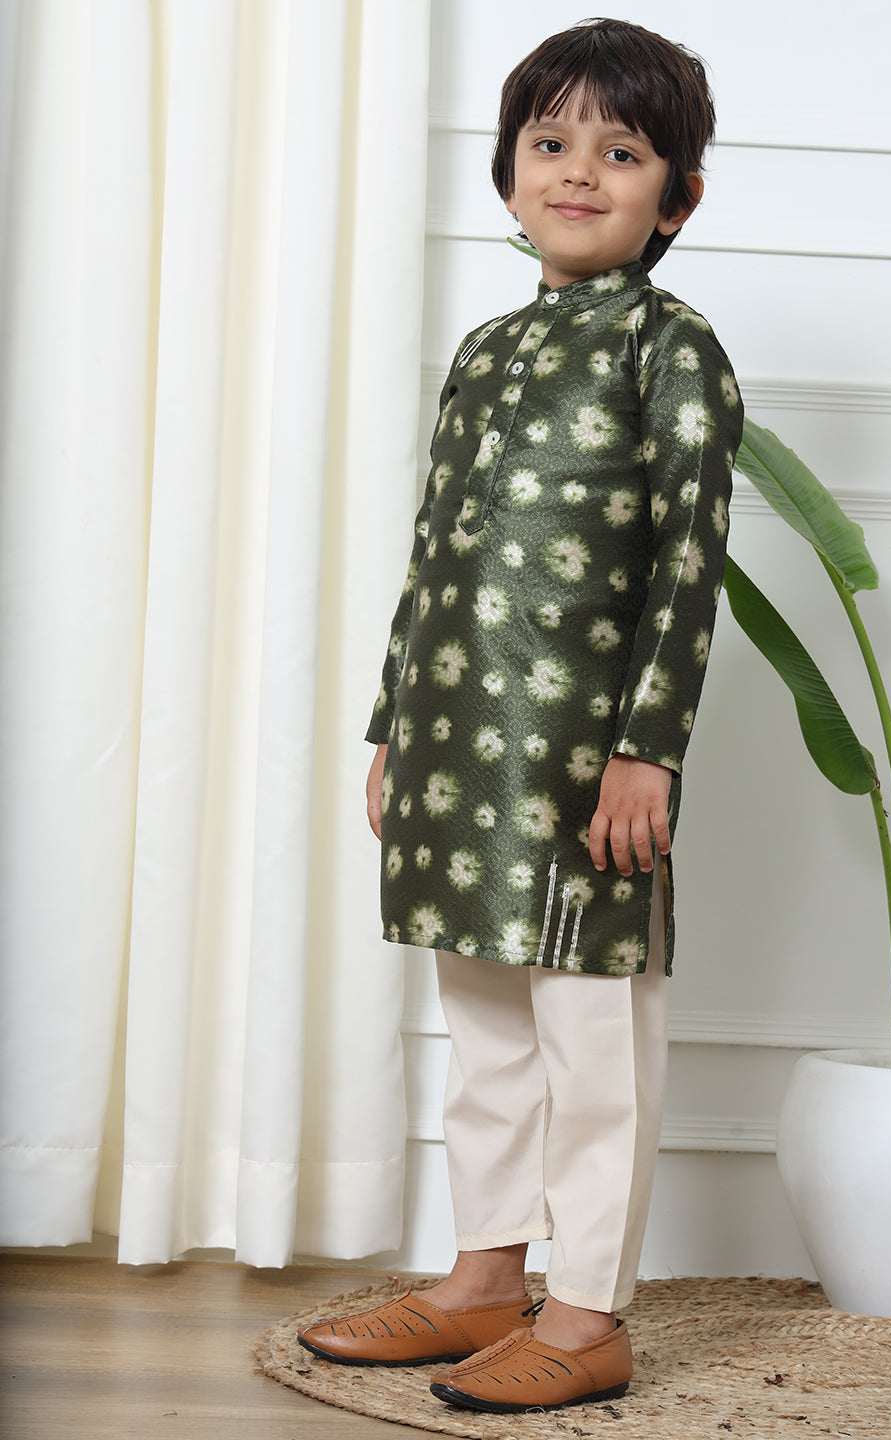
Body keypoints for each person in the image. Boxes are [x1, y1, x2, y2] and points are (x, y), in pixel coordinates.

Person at [298, 18, 743, 1415]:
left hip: (584, 762)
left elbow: (688, 564)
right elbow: (435, 551)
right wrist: (393, 721)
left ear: (677, 197)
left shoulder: (673, 351)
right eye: (550, 144)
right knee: (484, 1025)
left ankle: (589, 1310)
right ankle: (484, 1279)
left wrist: (647, 751)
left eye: (621, 151)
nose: (578, 172)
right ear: (507, 176)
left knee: (593, 1040)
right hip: (456, 748)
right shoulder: (485, 350)